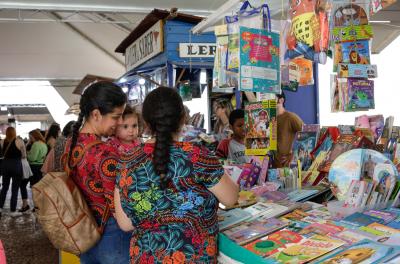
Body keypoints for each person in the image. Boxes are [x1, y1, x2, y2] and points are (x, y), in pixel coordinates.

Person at [114, 87, 239, 263]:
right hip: (195, 257)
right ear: (183, 119)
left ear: (146, 123)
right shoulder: (197, 155)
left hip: (146, 257)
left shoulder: (127, 161)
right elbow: (231, 198)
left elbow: (126, 224)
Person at [65, 81, 130, 264]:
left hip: (82, 231)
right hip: (111, 235)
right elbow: (119, 207)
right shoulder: (105, 152)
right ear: (96, 114)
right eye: (116, 117)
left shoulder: (68, 144)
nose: (119, 123)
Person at [19, 129, 48, 212]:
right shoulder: (44, 144)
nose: (30, 138)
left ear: (34, 136)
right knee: (37, 187)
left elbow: (32, 158)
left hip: (33, 167)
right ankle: (37, 206)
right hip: (40, 167)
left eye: (30, 137)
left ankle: (27, 205)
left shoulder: (36, 144)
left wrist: (27, 153)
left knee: (24, 185)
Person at [0, 127, 26, 217]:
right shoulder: (19, 141)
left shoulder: (2, 142)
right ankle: (13, 211)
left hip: (5, 166)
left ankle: (0, 208)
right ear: (15, 132)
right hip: (16, 166)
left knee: (4, 188)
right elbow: (24, 155)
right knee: (15, 189)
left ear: (6, 133)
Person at [275, 92, 303, 168]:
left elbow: (307, 135)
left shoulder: (291, 117)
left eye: (271, 97)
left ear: (281, 100)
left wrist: (293, 155)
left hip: (285, 168)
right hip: (268, 167)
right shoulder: (266, 119)